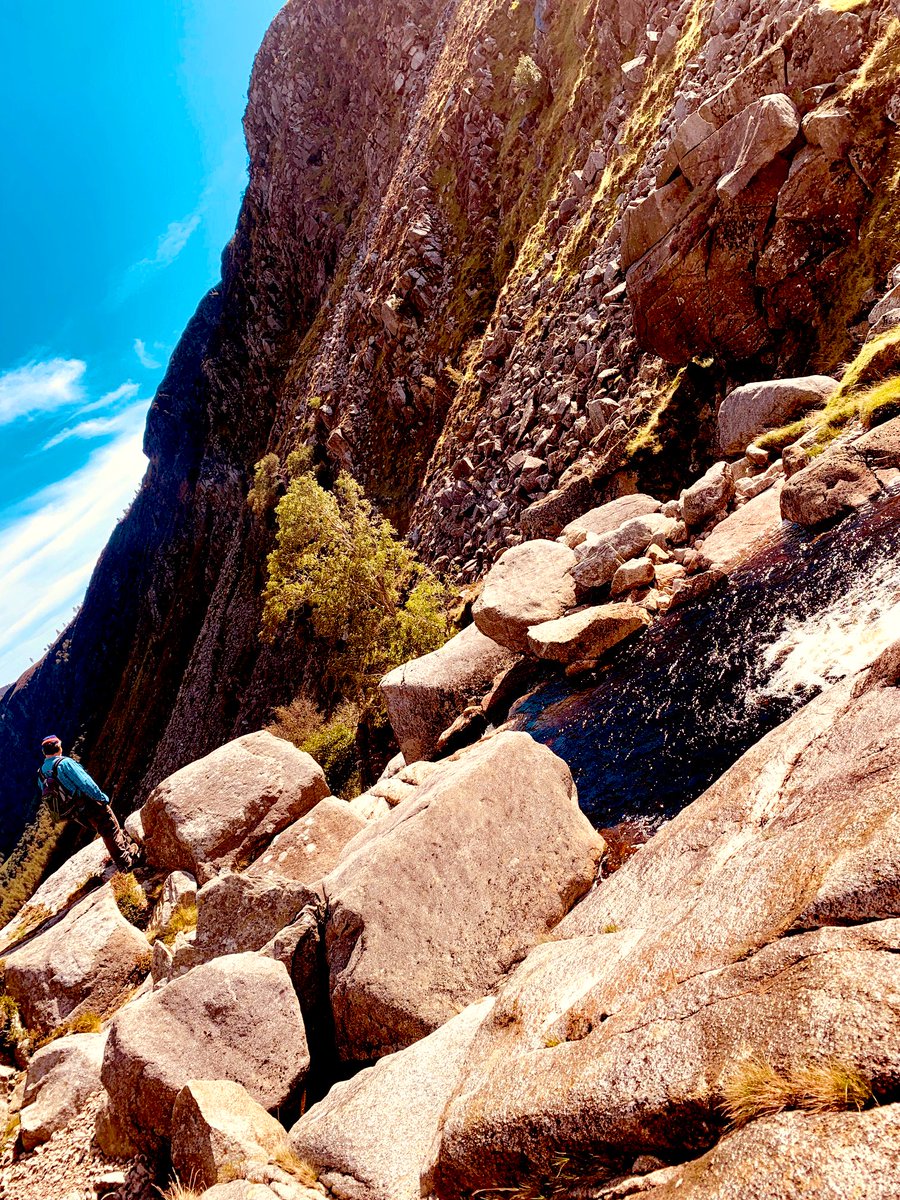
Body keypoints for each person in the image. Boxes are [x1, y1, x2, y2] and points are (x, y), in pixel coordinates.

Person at [37, 735, 138, 873]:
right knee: (110, 829)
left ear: (45, 752)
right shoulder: (64, 763)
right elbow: (85, 783)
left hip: (74, 811)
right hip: (89, 803)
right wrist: (101, 798)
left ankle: (126, 852)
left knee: (104, 830)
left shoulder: (41, 773)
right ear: (59, 747)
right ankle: (126, 863)